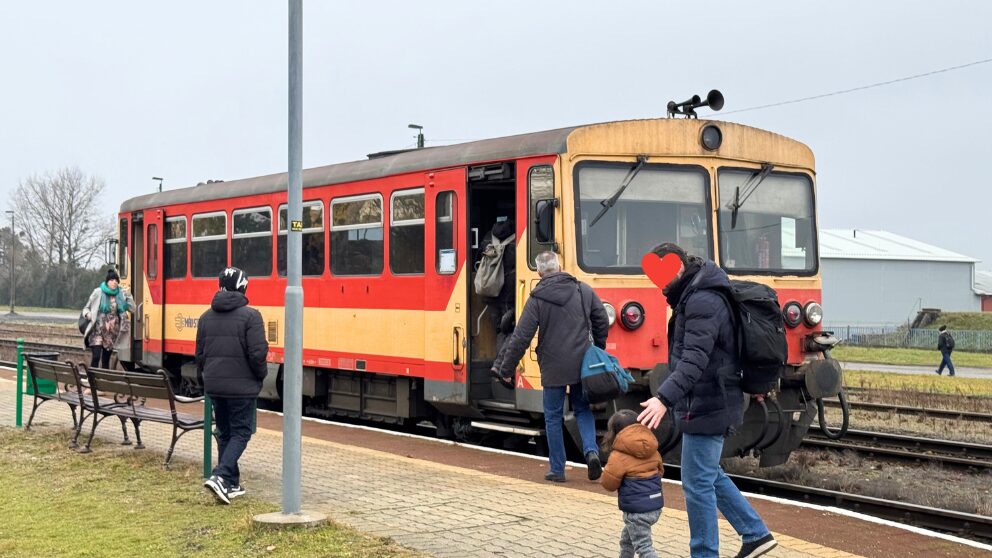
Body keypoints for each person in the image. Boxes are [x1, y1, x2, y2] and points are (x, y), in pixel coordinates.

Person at [637, 243, 777, 558]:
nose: (658, 284)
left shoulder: (702, 300)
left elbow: (694, 360)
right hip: (707, 398)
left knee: (696, 484)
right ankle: (755, 533)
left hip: (710, 399)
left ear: (676, 267)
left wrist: (663, 399)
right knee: (705, 473)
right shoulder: (696, 294)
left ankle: (705, 553)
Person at [492, 251, 609, 482]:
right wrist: (599, 347)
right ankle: (591, 452)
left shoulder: (537, 298)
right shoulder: (582, 289)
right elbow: (601, 320)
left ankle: (558, 469)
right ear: (560, 266)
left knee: (553, 416)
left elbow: (521, 336)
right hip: (582, 362)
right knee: (583, 409)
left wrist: (507, 369)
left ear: (539, 272)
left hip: (553, 364)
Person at [197, 267, 269, 504]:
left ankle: (231, 484)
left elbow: (200, 355)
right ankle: (220, 476)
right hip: (242, 387)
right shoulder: (251, 316)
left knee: (225, 432)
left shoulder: (206, 317)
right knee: (241, 432)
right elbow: (258, 354)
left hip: (216, 386)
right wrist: (260, 377)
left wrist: (206, 380)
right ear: (242, 287)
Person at [600, 409, 664, 558]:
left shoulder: (619, 455)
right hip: (655, 506)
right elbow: (660, 471)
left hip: (637, 511)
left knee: (644, 548)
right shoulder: (653, 449)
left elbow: (608, 484)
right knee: (627, 540)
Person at [478, 217, 517, 356]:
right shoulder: (518, 238)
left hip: (490, 292)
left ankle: (499, 368)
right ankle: (503, 369)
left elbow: (478, 259)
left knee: (499, 330)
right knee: (509, 330)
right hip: (509, 295)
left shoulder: (488, 237)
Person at [81, 268, 134, 369]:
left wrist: (128, 295)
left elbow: (133, 309)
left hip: (111, 333)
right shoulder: (98, 292)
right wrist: (87, 314)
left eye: (116, 281)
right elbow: (86, 308)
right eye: (112, 280)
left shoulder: (121, 294)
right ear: (107, 281)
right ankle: (92, 379)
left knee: (106, 360)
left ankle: (103, 382)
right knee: (96, 356)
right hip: (97, 330)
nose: (114, 282)